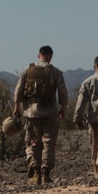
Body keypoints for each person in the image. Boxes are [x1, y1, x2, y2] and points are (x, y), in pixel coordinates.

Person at [13, 45, 68, 184]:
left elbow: (18, 90)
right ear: (50, 56)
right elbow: (62, 92)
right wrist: (63, 108)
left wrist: (16, 108)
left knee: (33, 142)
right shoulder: (55, 72)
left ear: (39, 55)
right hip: (49, 111)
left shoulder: (28, 69)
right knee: (49, 141)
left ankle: (36, 172)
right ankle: (46, 173)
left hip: (31, 112)